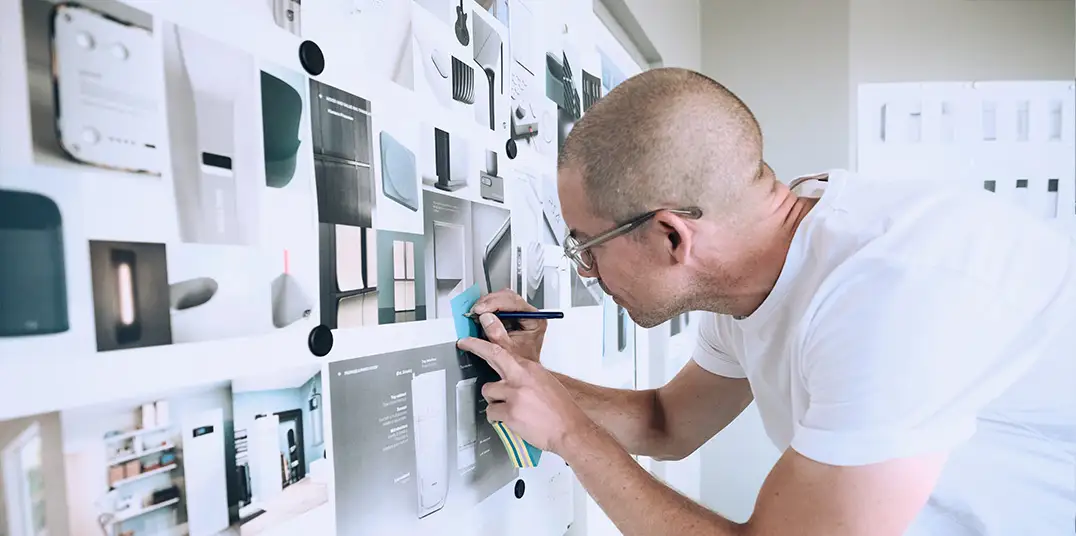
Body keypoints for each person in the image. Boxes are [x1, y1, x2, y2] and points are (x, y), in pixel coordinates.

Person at [457, 67, 1076, 535]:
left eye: (588, 245)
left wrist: (571, 435)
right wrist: (532, 380)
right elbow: (668, 424)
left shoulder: (889, 298)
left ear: (673, 235)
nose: (585, 266)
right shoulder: (760, 270)